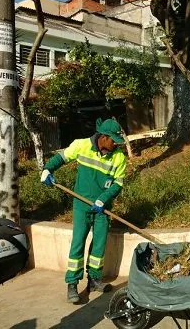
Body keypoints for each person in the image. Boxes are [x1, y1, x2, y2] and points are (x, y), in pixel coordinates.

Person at [41, 118, 127, 303]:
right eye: (113, 141)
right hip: (81, 205)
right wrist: (47, 169)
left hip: (102, 208)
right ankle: (72, 284)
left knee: (99, 245)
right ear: (103, 138)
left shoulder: (119, 157)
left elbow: (118, 184)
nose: (116, 145)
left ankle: (95, 279)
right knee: (78, 243)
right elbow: (62, 157)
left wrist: (103, 199)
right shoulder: (81, 145)